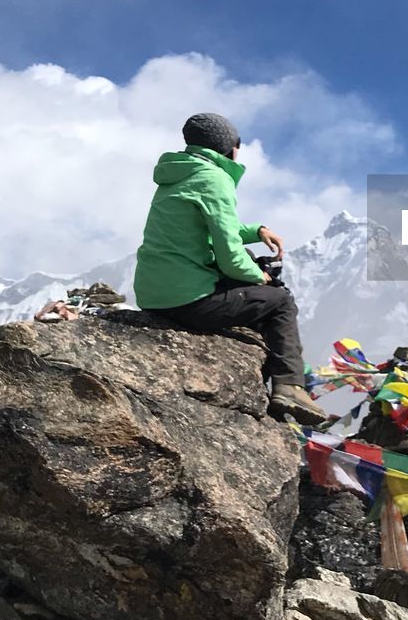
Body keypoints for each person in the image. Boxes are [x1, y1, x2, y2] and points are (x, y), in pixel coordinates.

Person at [133, 112, 325, 425]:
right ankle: (289, 387)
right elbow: (229, 258)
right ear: (229, 147)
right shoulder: (215, 178)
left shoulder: (181, 173)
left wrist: (256, 230)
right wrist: (258, 277)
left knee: (251, 264)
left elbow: (212, 228)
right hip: (188, 300)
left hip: (154, 293)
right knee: (279, 302)